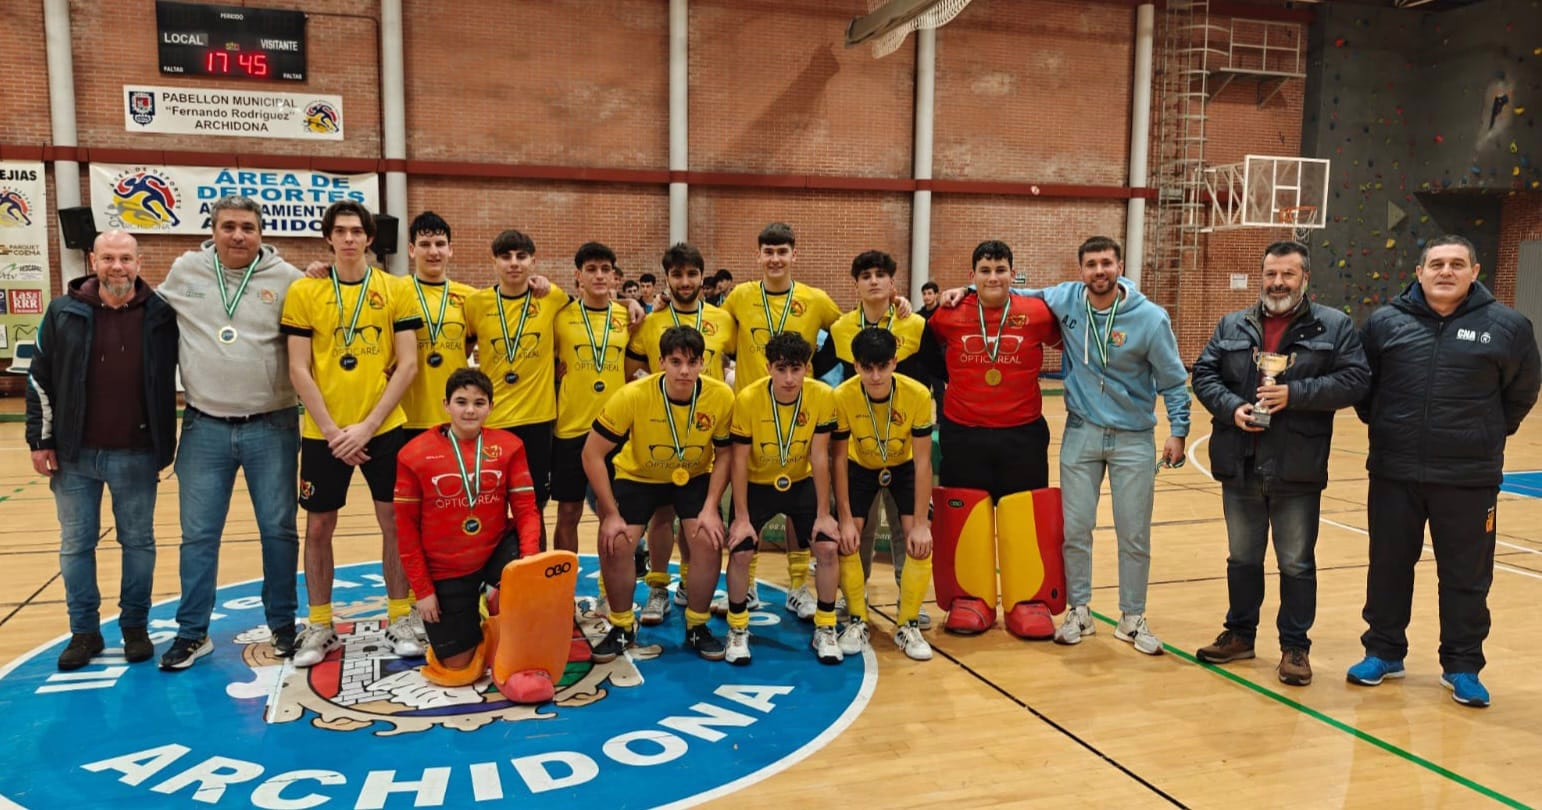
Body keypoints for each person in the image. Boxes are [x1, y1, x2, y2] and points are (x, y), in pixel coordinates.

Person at [1347, 234, 1540, 708]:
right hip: (1395, 472)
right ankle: (1384, 651)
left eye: (1457, 264)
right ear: (1419, 273)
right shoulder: (1385, 324)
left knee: (1466, 576)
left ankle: (1463, 664)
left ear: (1476, 272)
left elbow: (1522, 391)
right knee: (1389, 566)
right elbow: (1364, 389)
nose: (1446, 272)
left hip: (1469, 478)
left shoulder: (1508, 327)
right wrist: (1393, 428)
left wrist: (1487, 432)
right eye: (1436, 264)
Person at [1191, 241, 1369, 685]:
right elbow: (1204, 373)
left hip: (1297, 464)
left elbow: (1355, 380)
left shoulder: (1334, 325)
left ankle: (1295, 647)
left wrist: (1296, 394)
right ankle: (1240, 634)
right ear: (1262, 275)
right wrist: (1232, 408)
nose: (1278, 283)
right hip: (1241, 460)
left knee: (1296, 562)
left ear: (1305, 278)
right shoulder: (1233, 324)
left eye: (1288, 275)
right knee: (1242, 558)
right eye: (1271, 274)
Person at [157, 196, 304, 670]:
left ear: (262, 233)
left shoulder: (288, 279)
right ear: (213, 231)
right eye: (228, 227)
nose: (238, 235)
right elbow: (143, 308)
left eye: (247, 227)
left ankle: (284, 626)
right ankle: (192, 632)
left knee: (278, 532)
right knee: (198, 536)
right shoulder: (186, 271)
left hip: (273, 424)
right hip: (204, 426)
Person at [26, 230, 178, 672]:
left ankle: (134, 626)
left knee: (139, 543)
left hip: (137, 452)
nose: (117, 266)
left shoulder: (161, 314)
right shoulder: (62, 312)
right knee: (76, 546)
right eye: (108, 257)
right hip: (74, 455)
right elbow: (39, 378)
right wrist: (41, 439)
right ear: (93, 261)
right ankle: (84, 633)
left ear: (139, 262)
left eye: (125, 258)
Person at [280, 201, 424, 667]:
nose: (348, 239)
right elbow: (298, 368)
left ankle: (401, 617)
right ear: (328, 238)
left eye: (356, 231)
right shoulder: (304, 293)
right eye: (339, 231)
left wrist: (366, 426)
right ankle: (320, 624)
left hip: (383, 429)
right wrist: (331, 430)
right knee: (319, 526)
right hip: (323, 432)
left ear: (368, 239)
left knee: (395, 524)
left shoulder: (396, 289)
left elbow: (408, 364)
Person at [1038, 236, 1189, 655]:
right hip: (1082, 431)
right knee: (1076, 528)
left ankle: (1132, 617)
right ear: (1080, 269)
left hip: (1134, 438)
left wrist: (1178, 431)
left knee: (1134, 533)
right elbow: (1014, 294)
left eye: (1106, 262)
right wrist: (964, 291)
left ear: (1120, 265)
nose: (1099, 271)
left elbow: (1174, 380)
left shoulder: (1151, 319)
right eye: (1091, 264)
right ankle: (1080, 610)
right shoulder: (1066, 299)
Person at [923, 239, 1061, 637]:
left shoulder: (1036, 314)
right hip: (964, 432)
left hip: (1022, 434)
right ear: (972, 277)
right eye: (985, 271)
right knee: (966, 514)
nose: (993, 277)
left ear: (1012, 275)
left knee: (1024, 516)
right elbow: (926, 345)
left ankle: (1028, 599)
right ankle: (972, 598)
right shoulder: (949, 314)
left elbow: (1068, 335)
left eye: (1000, 270)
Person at [584, 327, 735, 661]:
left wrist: (711, 507)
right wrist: (609, 514)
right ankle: (622, 627)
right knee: (616, 541)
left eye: (692, 362)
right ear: (661, 362)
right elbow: (591, 453)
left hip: (693, 475)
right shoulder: (632, 395)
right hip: (639, 476)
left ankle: (697, 625)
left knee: (709, 539)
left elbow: (725, 454)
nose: (684, 370)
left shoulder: (721, 395)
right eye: (675, 362)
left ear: (703, 363)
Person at [393, 370, 547, 697]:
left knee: (531, 537)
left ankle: (500, 603)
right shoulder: (413, 454)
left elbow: (526, 510)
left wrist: (528, 565)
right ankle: (485, 631)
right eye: (461, 402)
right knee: (459, 671)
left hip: (494, 554)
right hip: (445, 570)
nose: (470, 411)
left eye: (479, 403)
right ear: (446, 404)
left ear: (491, 407)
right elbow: (405, 531)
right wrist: (422, 590)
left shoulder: (509, 446)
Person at [721, 224, 844, 620]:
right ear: (758, 256)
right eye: (768, 251)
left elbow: (845, 337)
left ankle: (797, 588)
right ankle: (749, 586)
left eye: (783, 251)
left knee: (799, 505)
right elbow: (715, 338)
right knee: (749, 510)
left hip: (800, 415)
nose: (775, 258)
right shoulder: (739, 296)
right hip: (753, 416)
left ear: (795, 255)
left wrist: (815, 374)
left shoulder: (815, 299)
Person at [812, 250, 932, 629]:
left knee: (907, 528)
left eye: (882, 275)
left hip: (904, 442)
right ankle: (855, 601)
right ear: (857, 283)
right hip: (860, 442)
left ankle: (908, 600)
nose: (874, 281)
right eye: (866, 276)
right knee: (855, 531)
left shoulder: (913, 324)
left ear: (893, 282)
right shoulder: (843, 328)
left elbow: (934, 370)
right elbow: (815, 370)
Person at [626, 243, 738, 625]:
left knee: (699, 519)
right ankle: (658, 588)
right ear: (667, 279)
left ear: (701, 279)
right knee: (661, 516)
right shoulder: (652, 322)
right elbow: (633, 366)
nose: (685, 281)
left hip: (707, 434)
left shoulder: (724, 319)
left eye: (692, 274)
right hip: (663, 433)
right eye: (677, 275)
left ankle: (692, 587)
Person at [726, 333, 840, 664]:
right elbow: (740, 461)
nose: (789, 379)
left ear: (807, 368)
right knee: (742, 551)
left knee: (828, 546)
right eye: (781, 369)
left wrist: (823, 513)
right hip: (758, 483)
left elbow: (820, 457)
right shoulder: (748, 399)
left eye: (796, 369)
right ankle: (737, 629)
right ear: (768, 369)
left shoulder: (821, 396)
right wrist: (743, 518)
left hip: (801, 481)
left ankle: (826, 627)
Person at [832, 329, 937, 661]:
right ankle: (857, 619)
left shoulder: (918, 395)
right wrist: (845, 519)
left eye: (882, 367)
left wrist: (921, 523)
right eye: (867, 368)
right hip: (859, 466)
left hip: (903, 466)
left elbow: (923, 462)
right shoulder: (843, 396)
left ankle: (907, 624)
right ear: (855, 366)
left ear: (895, 362)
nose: (875, 376)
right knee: (848, 538)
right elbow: (837, 458)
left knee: (919, 542)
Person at [463, 229, 570, 514]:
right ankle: (500, 559)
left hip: (539, 419)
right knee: (493, 503)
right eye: (506, 257)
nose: (514, 263)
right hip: (494, 419)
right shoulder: (475, 304)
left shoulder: (552, 297)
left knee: (534, 504)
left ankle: (534, 558)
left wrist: (631, 303)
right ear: (494, 262)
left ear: (533, 262)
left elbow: (593, 306)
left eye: (521, 257)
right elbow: (459, 348)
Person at [551, 242, 635, 555]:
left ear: (614, 277)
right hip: (571, 428)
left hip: (614, 429)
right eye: (591, 270)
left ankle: (605, 589)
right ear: (579, 276)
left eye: (605, 270)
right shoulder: (559, 316)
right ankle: (563, 587)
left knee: (611, 511)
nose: (599, 276)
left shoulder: (628, 317)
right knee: (569, 513)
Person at [396, 212, 478, 441]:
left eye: (440, 244)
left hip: (456, 415)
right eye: (425, 244)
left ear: (450, 249)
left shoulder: (471, 298)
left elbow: (469, 346)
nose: (433, 252)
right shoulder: (393, 291)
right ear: (412, 250)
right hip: (405, 416)